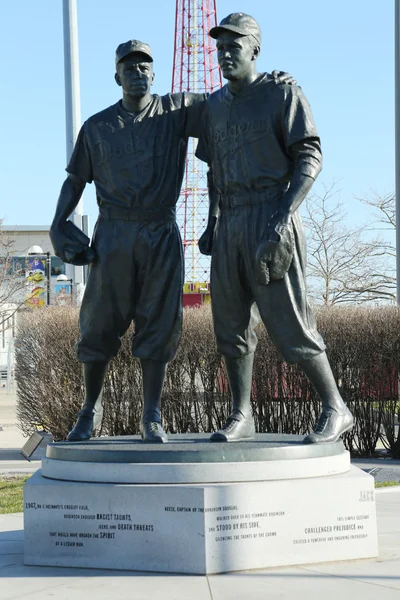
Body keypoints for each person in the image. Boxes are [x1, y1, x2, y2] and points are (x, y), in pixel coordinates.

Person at [50, 39, 294, 444]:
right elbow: (75, 180)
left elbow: (232, 95)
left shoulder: (177, 110)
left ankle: (151, 415)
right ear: (116, 76)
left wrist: (272, 82)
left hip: (160, 232)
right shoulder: (96, 127)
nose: (138, 73)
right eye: (129, 68)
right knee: (97, 326)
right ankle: (89, 410)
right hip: (113, 233)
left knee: (159, 326)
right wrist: (59, 222)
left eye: (145, 67)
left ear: (154, 74)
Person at [196, 13, 354, 443]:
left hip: (272, 214)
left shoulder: (283, 92)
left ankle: (336, 406)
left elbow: (310, 157)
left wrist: (283, 216)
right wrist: (212, 222)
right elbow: (213, 169)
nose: (226, 54)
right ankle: (241, 414)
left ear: (254, 50)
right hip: (230, 220)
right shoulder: (213, 106)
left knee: (291, 324)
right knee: (230, 328)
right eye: (220, 47)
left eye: (235, 46)